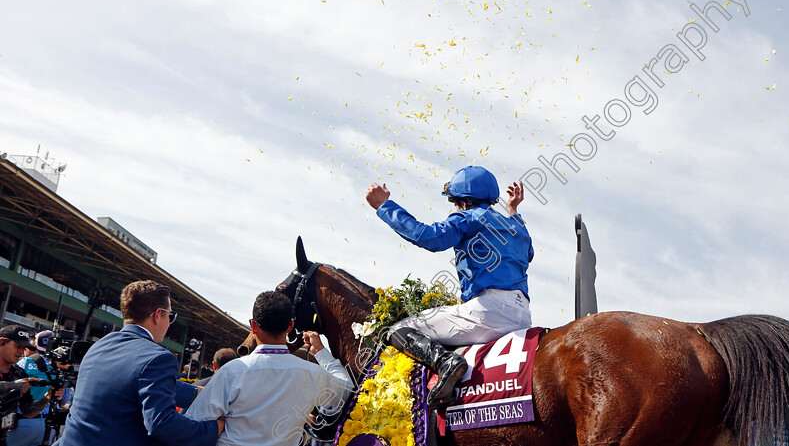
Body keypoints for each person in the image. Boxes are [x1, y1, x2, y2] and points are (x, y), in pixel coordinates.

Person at [365, 165, 534, 406]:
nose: (453, 209)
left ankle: (447, 363)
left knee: (398, 330)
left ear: (464, 203)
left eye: (454, 203)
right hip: (523, 316)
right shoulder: (517, 226)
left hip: (488, 312)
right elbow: (528, 253)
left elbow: (428, 236)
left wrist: (384, 207)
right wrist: (512, 210)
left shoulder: (468, 217)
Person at [57, 280, 224, 446]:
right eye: (170, 316)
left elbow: (132, 383)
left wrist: (199, 393)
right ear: (158, 315)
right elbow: (163, 425)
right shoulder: (158, 357)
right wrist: (215, 427)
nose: (169, 323)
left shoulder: (100, 345)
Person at [185, 291, 353, 446]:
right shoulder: (312, 374)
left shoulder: (232, 371)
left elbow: (194, 421)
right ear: (290, 326)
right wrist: (321, 353)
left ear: (253, 326)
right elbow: (346, 390)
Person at [0, 326, 56, 446]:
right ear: (2, 342)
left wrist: (47, 397)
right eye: (18, 346)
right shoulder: (18, 379)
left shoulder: (18, 372)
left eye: (23, 348)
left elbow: (27, 411)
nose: (21, 352)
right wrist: (12, 385)